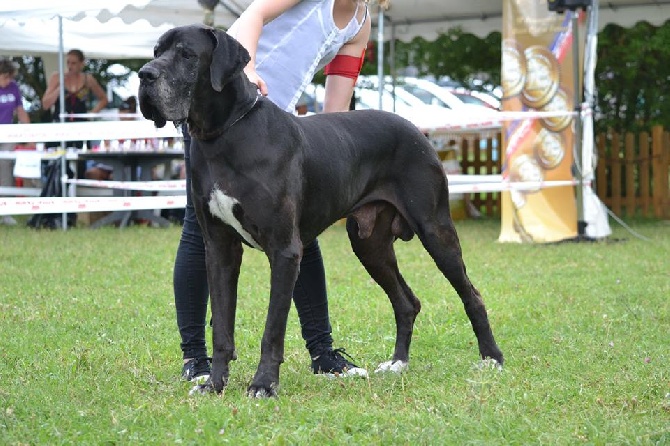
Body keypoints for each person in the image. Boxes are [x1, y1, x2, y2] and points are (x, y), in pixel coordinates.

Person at [176, 0, 390, 383]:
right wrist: (248, 69)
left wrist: (330, 151)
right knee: (201, 234)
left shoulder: (360, 23)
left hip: (277, 124)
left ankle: (323, 353)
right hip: (227, 108)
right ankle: (196, 358)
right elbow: (252, 15)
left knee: (300, 233)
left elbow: (337, 108)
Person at [41, 49, 108, 149]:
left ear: (81, 64)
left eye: (74, 63)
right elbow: (45, 104)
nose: (70, 66)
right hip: (61, 125)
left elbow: (104, 99)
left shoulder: (87, 79)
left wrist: (92, 113)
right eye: (68, 62)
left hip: (81, 126)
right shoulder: (57, 77)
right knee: (59, 159)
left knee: (81, 159)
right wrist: (59, 88)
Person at [0, 57, 31, 226]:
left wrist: (30, 134)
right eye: (5, 77)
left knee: (5, 164)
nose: (8, 81)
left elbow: (20, 111)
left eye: (10, 77)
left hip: (8, 133)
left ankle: (6, 210)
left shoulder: (14, 88)